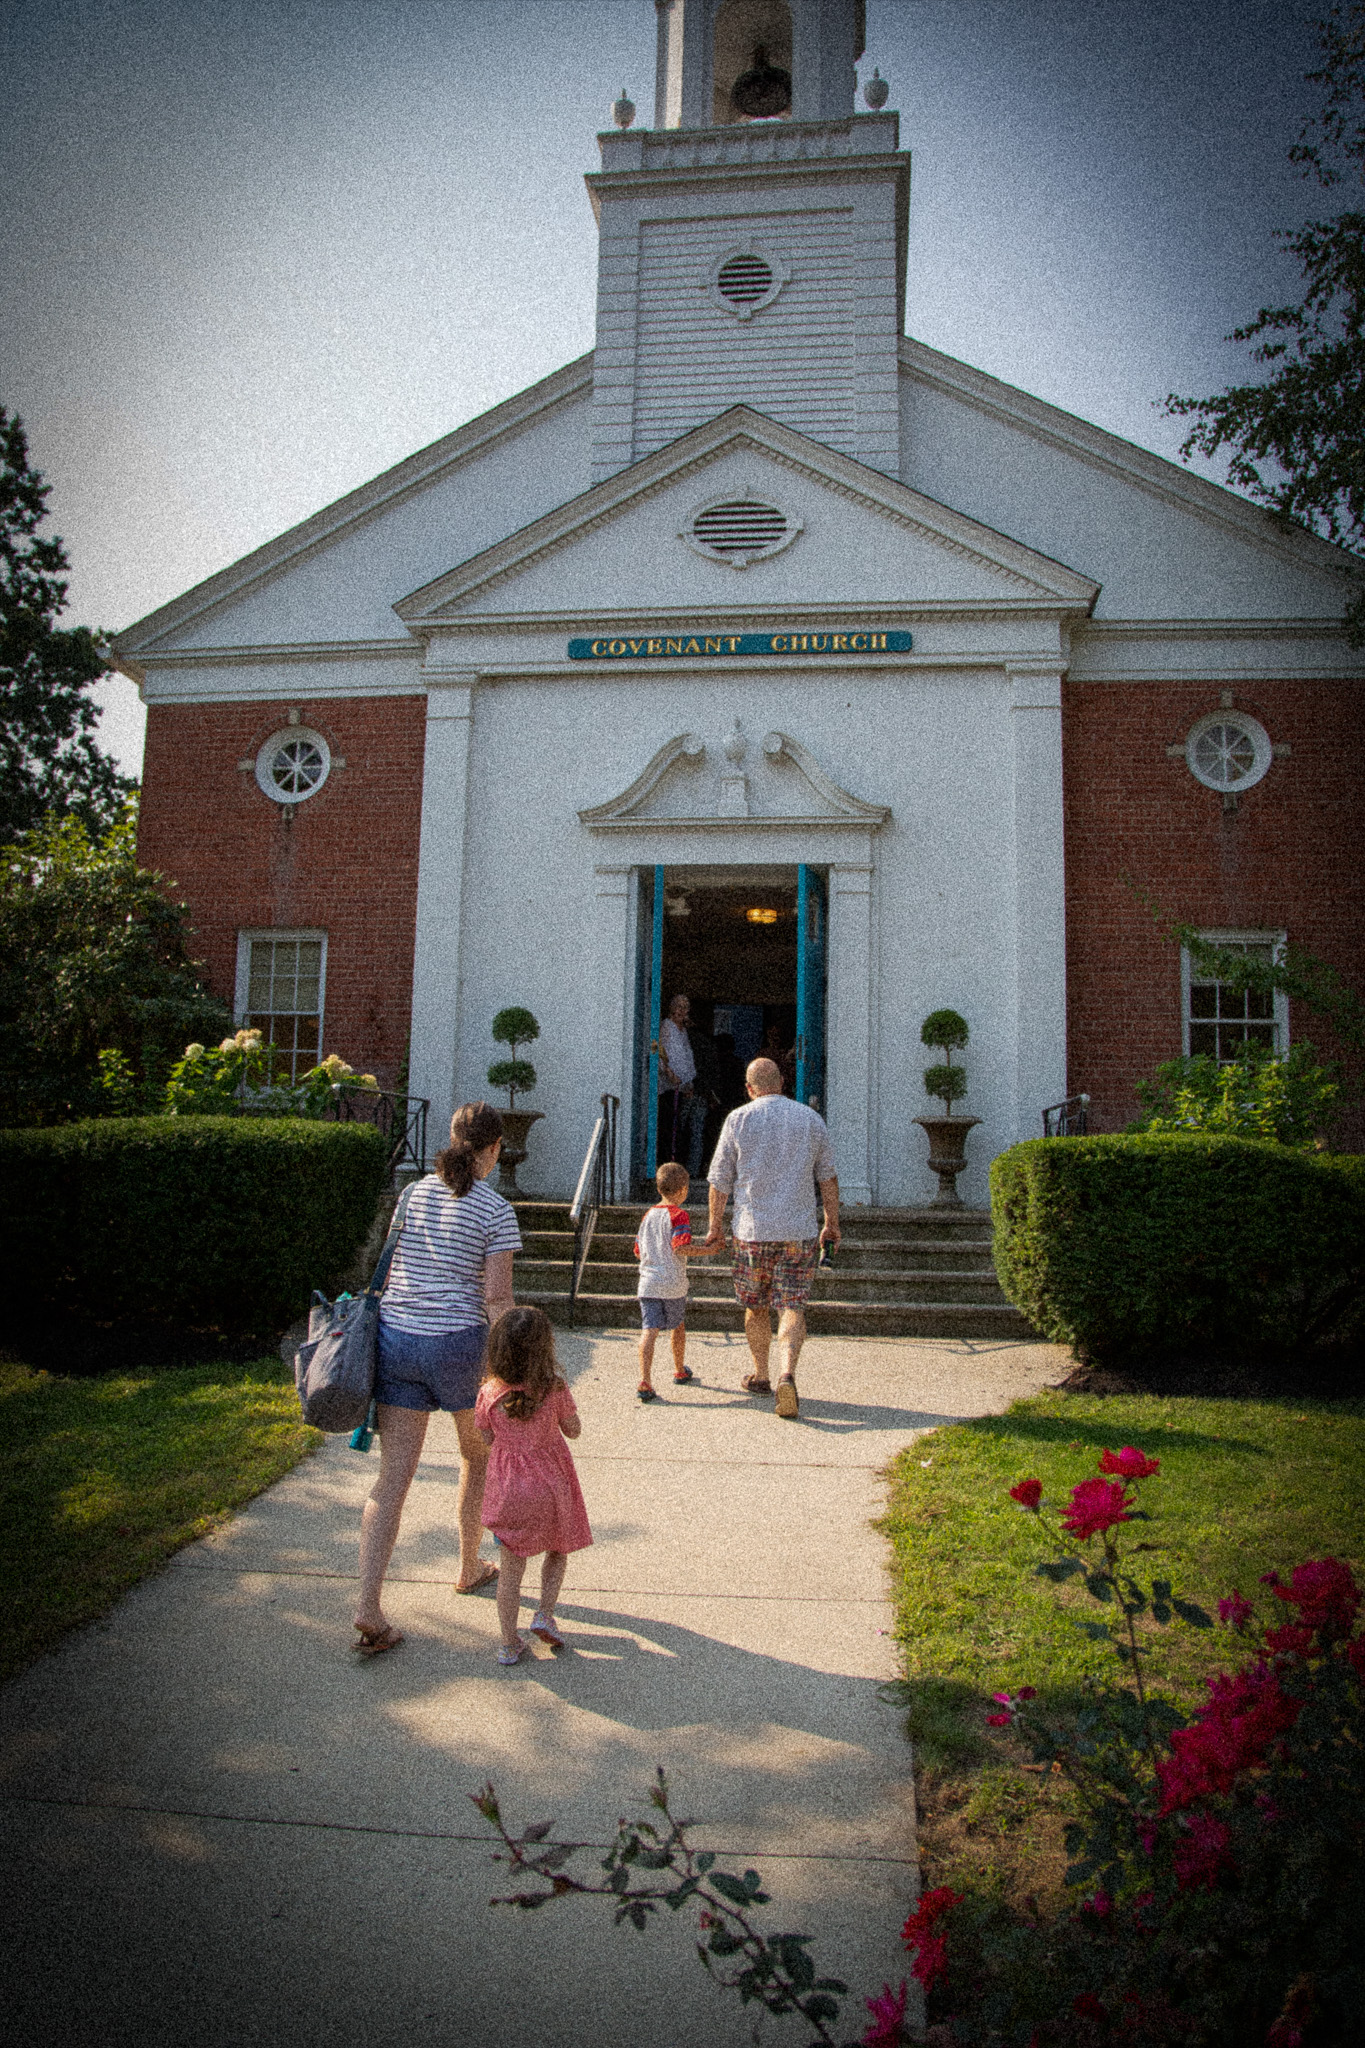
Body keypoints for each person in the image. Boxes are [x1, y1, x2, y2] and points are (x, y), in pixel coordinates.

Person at [351, 1100, 521, 1655]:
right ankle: (469, 1564)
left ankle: (368, 1605)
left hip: (397, 1340)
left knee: (391, 1480)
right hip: (458, 1347)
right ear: (494, 1150)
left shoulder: (413, 1193)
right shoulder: (495, 1211)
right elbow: (497, 1299)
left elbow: (394, 1264)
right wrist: (518, 1366)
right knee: (476, 1457)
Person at [702, 1057, 840, 1421]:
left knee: (756, 1306)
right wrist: (831, 1222)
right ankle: (787, 1374)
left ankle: (762, 1374)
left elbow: (719, 1180)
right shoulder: (810, 1119)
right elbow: (827, 1176)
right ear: (783, 1081)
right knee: (792, 1306)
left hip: (752, 1231)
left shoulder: (738, 1119)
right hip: (798, 1231)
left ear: (750, 1088)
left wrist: (715, 1225)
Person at [475, 1306, 592, 1664]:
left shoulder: (490, 1393)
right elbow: (573, 1430)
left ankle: (509, 1643)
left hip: (510, 1491)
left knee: (511, 1571)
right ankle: (544, 1613)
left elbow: (484, 1437)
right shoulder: (553, 1388)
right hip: (551, 1487)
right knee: (557, 1549)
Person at [633, 1159, 708, 1401]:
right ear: (683, 1190)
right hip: (672, 1283)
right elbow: (681, 1247)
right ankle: (679, 1369)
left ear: (659, 1188)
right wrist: (709, 1250)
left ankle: (645, 1380)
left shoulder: (647, 1216)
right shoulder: (679, 1215)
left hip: (648, 1283)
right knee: (677, 1325)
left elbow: (637, 1250)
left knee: (649, 1330)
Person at [659, 992, 705, 1175]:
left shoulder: (683, 1030)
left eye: (685, 1008)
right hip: (669, 1087)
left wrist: (689, 1082)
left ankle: (679, 1170)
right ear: (671, 1008)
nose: (682, 1011)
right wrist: (668, 1072)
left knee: (682, 1130)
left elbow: (687, 1058)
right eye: (678, 1006)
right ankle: (666, 1169)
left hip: (684, 1086)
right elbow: (660, 1051)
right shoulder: (666, 1026)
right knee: (669, 1128)